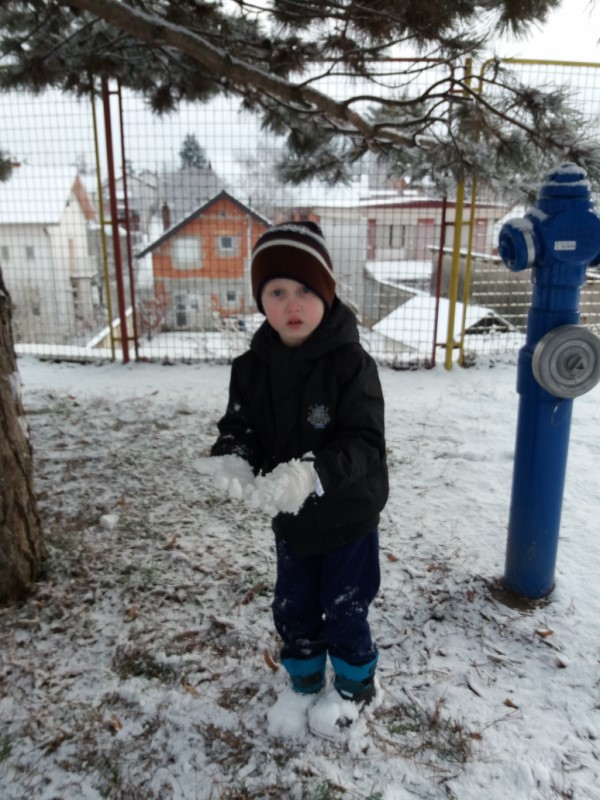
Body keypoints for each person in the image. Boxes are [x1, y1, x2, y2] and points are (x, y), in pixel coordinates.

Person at [210, 220, 388, 706]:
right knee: (294, 605)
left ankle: (353, 689)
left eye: (305, 290)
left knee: (345, 607)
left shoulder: (351, 364)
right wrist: (235, 458)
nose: (292, 304)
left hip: (348, 516)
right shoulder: (250, 369)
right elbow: (241, 426)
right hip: (292, 520)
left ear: (326, 293)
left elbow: (364, 441)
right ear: (260, 301)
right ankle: (304, 684)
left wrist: (312, 472)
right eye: (277, 292)